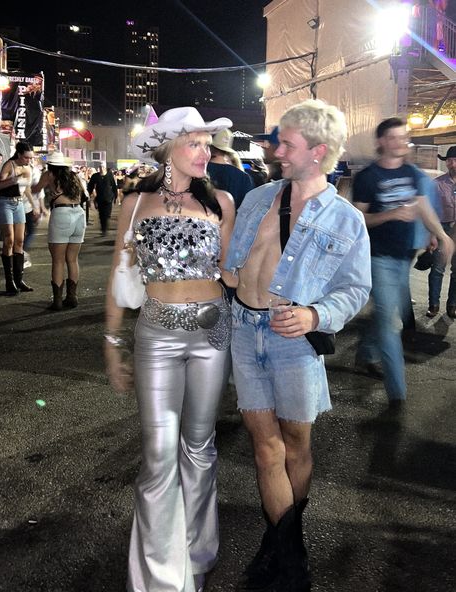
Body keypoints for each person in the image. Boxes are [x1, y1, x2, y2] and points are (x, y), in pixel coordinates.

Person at [224, 99, 372, 592]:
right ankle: (290, 561)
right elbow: (234, 261)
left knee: (296, 448)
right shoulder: (258, 197)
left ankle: (280, 543)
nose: (275, 150)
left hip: (292, 340)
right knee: (265, 449)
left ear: (317, 151)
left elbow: (355, 288)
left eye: (285, 143)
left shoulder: (345, 219)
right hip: (246, 331)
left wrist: (315, 314)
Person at [104, 107, 236, 592]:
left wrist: (245, 276)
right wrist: (111, 342)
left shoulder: (221, 200)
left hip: (210, 332)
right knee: (159, 455)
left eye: (208, 144)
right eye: (196, 143)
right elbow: (121, 279)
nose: (206, 153)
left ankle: (198, 555)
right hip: (156, 333)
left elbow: (228, 268)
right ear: (168, 148)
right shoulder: (135, 204)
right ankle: (160, 578)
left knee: (199, 449)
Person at [352, 117, 454, 407]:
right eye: (395, 138)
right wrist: (392, 214)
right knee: (388, 322)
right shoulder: (368, 177)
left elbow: (422, 206)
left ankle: (365, 354)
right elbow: (357, 219)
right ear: (382, 141)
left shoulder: (410, 172)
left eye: (404, 137)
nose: (401, 142)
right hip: (377, 256)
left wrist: (440, 235)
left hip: (403, 256)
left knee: (385, 312)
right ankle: (397, 393)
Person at [37, 151, 87, 310]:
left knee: (58, 260)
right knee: (72, 259)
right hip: (79, 214)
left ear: (50, 164)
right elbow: (84, 195)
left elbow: (35, 188)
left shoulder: (49, 175)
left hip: (62, 214)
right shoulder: (74, 176)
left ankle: (57, 301)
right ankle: (72, 298)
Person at [0, 141, 38, 295]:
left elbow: (27, 189)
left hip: (19, 204)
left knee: (20, 240)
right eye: (26, 158)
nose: (29, 160)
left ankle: (19, 280)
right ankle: (9, 281)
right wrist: (13, 179)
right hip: (5, 203)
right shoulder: (9, 165)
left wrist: (34, 206)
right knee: (9, 240)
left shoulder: (29, 168)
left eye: (30, 158)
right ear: (19, 155)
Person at [426, 146, 456, 318]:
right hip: (441, 228)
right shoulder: (437, 184)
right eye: (449, 161)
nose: (452, 164)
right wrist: (432, 236)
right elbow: (430, 211)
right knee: (437, 269)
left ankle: (452, 305)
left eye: (454, 160)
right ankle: (434, 305)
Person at [207, 128, 254, 210]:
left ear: (210, 146)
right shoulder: (243, 177)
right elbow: (247, 210)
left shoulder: (199, 172)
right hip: (233, 221)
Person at [87, 164, 118, 235]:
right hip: (100, 198)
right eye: (100, 167)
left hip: (109, 197)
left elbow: (113, 186)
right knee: (101, 214)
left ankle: (105, 226)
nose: (101, 168)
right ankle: (104, 229)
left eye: (103, 167)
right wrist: (88, 194)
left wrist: (115, 196)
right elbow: (90, 186)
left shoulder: (109, 175)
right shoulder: (95, 176)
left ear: (105, 168)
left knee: (107, 214)